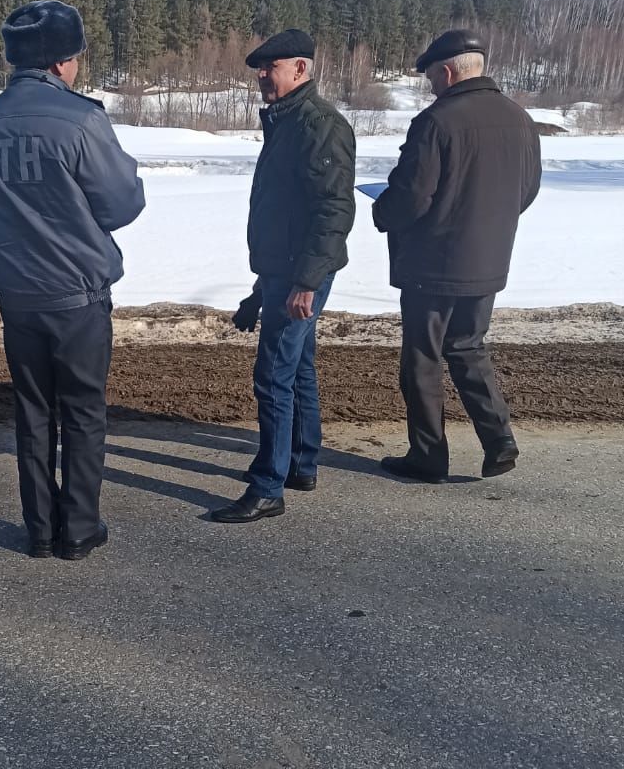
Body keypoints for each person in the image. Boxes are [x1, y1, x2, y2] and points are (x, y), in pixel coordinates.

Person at [0, 1, 145, 560]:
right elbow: (122, 203)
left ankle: (40, 528)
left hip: (17, 294)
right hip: (76, 294)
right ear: (64, 61)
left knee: (33, 412)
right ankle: (80, 527)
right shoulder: (80, 119)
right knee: (84, 411)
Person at [372, 29, 541, 482]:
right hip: (488, 260)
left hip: (432, 263)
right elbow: (526, 191)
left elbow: (411, 197)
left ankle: (428, 456)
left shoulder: (436, 121)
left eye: (430, 76)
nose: (429, 85)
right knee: (468, 347)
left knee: (423, 359)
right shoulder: (520, 120)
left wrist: (381, 212)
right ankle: (499, 439)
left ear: (447, 72)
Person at [209, 29, 356, 524]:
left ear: (300, 69)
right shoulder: (287, 122)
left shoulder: (318, 125)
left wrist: (306, 282)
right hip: (284, 270)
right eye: (259, 68)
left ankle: (268, 486)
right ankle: (300, 463)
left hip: (300, 273)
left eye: (270, 68)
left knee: (273, 375)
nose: (260, 76)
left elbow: (333, 210)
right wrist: (261, 288)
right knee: (300, 367)